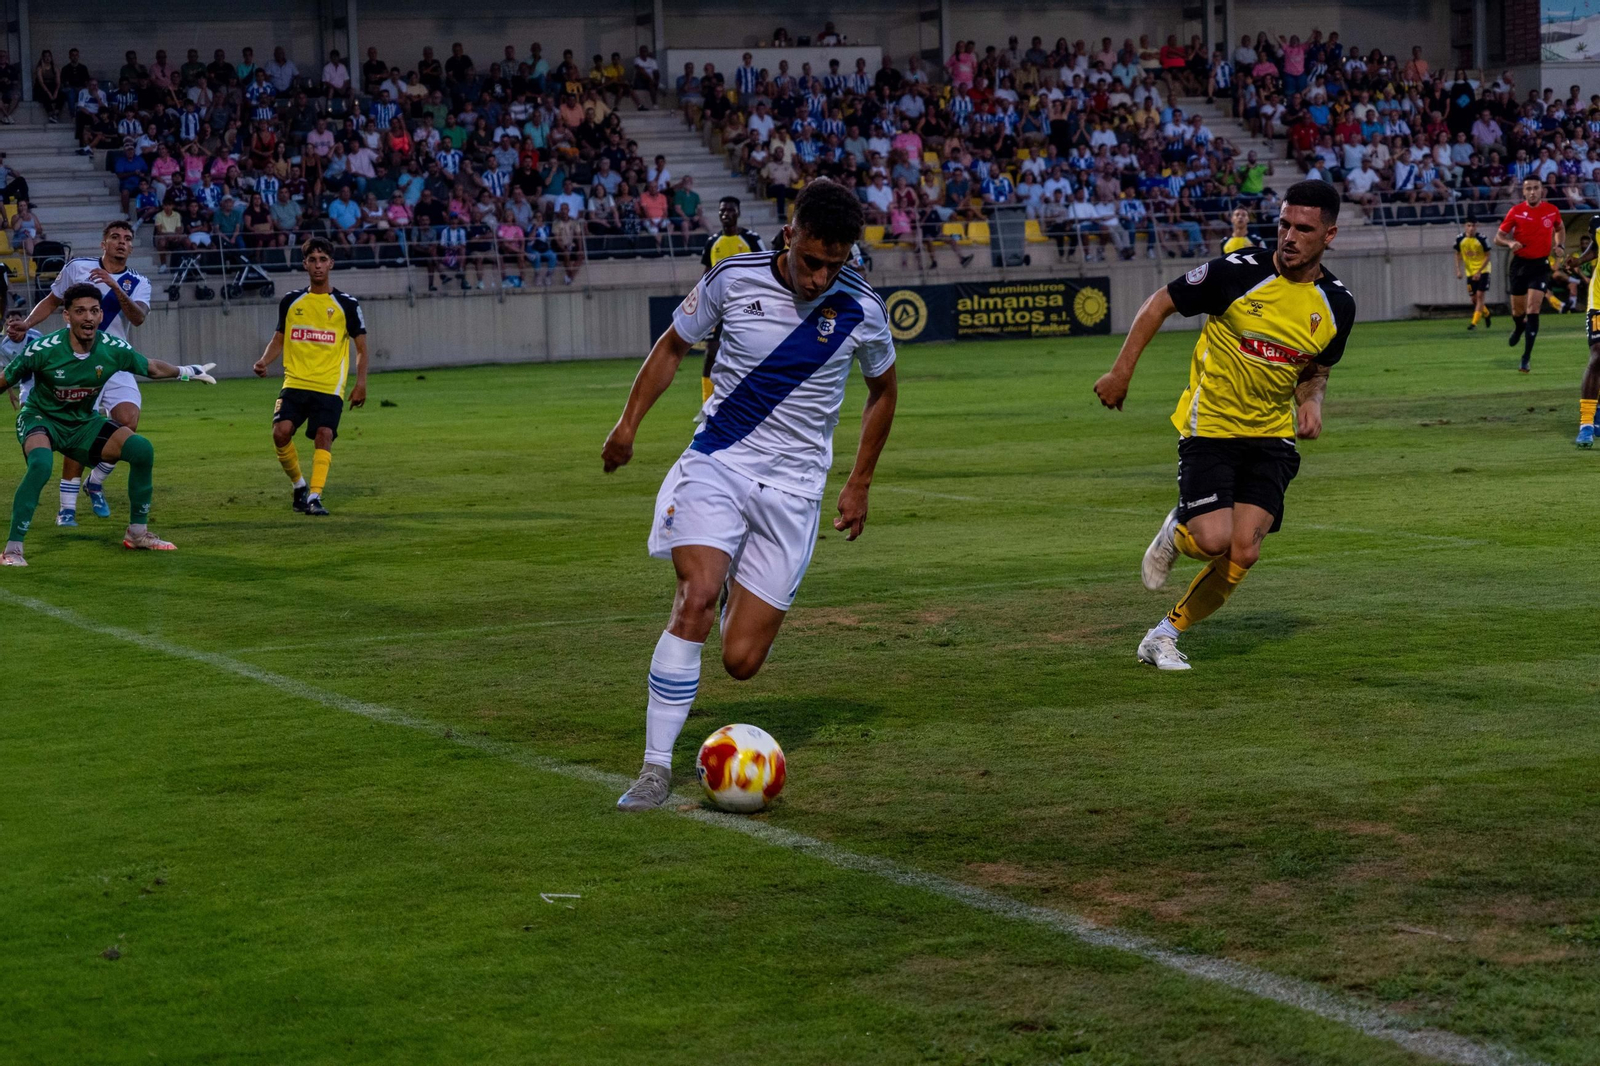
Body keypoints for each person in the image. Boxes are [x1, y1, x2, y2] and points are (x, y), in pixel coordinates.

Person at [603, 180, 899, 810]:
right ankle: (655, 770)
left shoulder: (862, 309)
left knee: (740, 662)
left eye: (835, 264)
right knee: (696, 598)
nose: (820, 277)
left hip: (794, 494)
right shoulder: (731, 278)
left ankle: (738, 578)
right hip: (719, 462)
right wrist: (627, 425)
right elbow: (673, 346)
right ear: (789, 235)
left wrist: (860, 481)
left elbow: (884, 393)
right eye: (811, 260)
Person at [1092, 179, 1356, 670]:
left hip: (1271, 435)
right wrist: (1121, 371)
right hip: (1210, 424)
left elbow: (1317, 366)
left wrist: (1313, 401)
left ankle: (1164, 634)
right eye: (1283, 224)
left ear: (1329, 235)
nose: (1289, 237)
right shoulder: (1238, 273)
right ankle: (1177, 529)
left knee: (1244, 552)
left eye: (1303, 229)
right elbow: (1160, 302)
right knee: (1210, 540)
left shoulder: (1337, 304)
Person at [0, 283, 216, 565]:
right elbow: (5, 380)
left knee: (141, 450)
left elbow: (150, 367)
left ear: (101, 315)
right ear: (67, 316)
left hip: (83, 424)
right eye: (80, 311)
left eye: (94, 311)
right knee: (41, 464)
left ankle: (137, 533)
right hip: (42, 418)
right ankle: (13, 550)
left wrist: (188, 372)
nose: (88, 317)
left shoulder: (112, 348)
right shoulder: (42, 349)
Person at [9, 220, 150, 527]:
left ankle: (95, 481)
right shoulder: (78, 268)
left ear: (131, 246)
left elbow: (138, 318)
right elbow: (52, 300)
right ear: (104, 243)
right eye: (115, 237)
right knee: (78, 424)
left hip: (113, 358)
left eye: (127, 238)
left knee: (128, 422)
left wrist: (114, 286)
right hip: (76, 360)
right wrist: (27, 326)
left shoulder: (139, 282)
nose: (121, 242)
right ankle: (67, 507)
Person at [251, 237, 369, 516]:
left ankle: (315, 496)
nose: (318, 265)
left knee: (324, 434)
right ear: (305, 264)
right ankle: (299, 486)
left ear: (331, 264)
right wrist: (264, 360)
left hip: (329, 387)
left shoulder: (347, 305)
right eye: (313, 260)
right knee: (280, 433)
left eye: (323, 260)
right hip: (295, 383)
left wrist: (361, 383)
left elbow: (362, 348)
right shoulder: (292, 301)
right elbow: (279, 338)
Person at [697, 196, 765, 402]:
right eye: (722, 211)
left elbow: (765, 268)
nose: (725, 214)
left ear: (738, 213)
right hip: (719, 305)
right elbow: (706, 275)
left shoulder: (752, 239)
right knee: (711, 352)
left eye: (730, 210)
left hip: (746, 303)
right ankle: (706, 402)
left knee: (752, 351)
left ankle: (754, 398)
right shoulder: (712, 242)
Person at [1494, 177, 1564, 371]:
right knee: (1518, 312)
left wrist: (1560, 245)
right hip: (1520, 265)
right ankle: (1518, 326)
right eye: (1529, 189)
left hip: (1540, 265)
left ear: (1542, 190)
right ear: (1523, 192)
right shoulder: (1515, 212)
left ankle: (1526, 357)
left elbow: (1559, 227)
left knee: (1534, 308)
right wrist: (1509, 243)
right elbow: (1498, 237)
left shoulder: (1552, 210)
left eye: (1536, 188)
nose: (1532, 192)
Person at [1565, 214, 1600, 446]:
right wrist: (1579, 261)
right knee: (1598, 355)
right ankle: (1586, 424)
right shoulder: (1597, 222)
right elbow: (1596, 249)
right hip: (1599, 301)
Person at [1454, 219, 1493, 331]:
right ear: (1465, 226)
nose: (1471, 228)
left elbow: (1488, 256)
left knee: (1480, 296)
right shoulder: (1460, 239)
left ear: (1477, 226)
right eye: (1469, 225)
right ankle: (1486, 313)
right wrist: (1458, 269)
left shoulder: (1482, 239)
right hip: (1470, 272)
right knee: (1474, 299)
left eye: (1473, 226)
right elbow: (1457, 254)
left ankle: (1474, 323)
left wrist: (1479, 271)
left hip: (1484, 270)